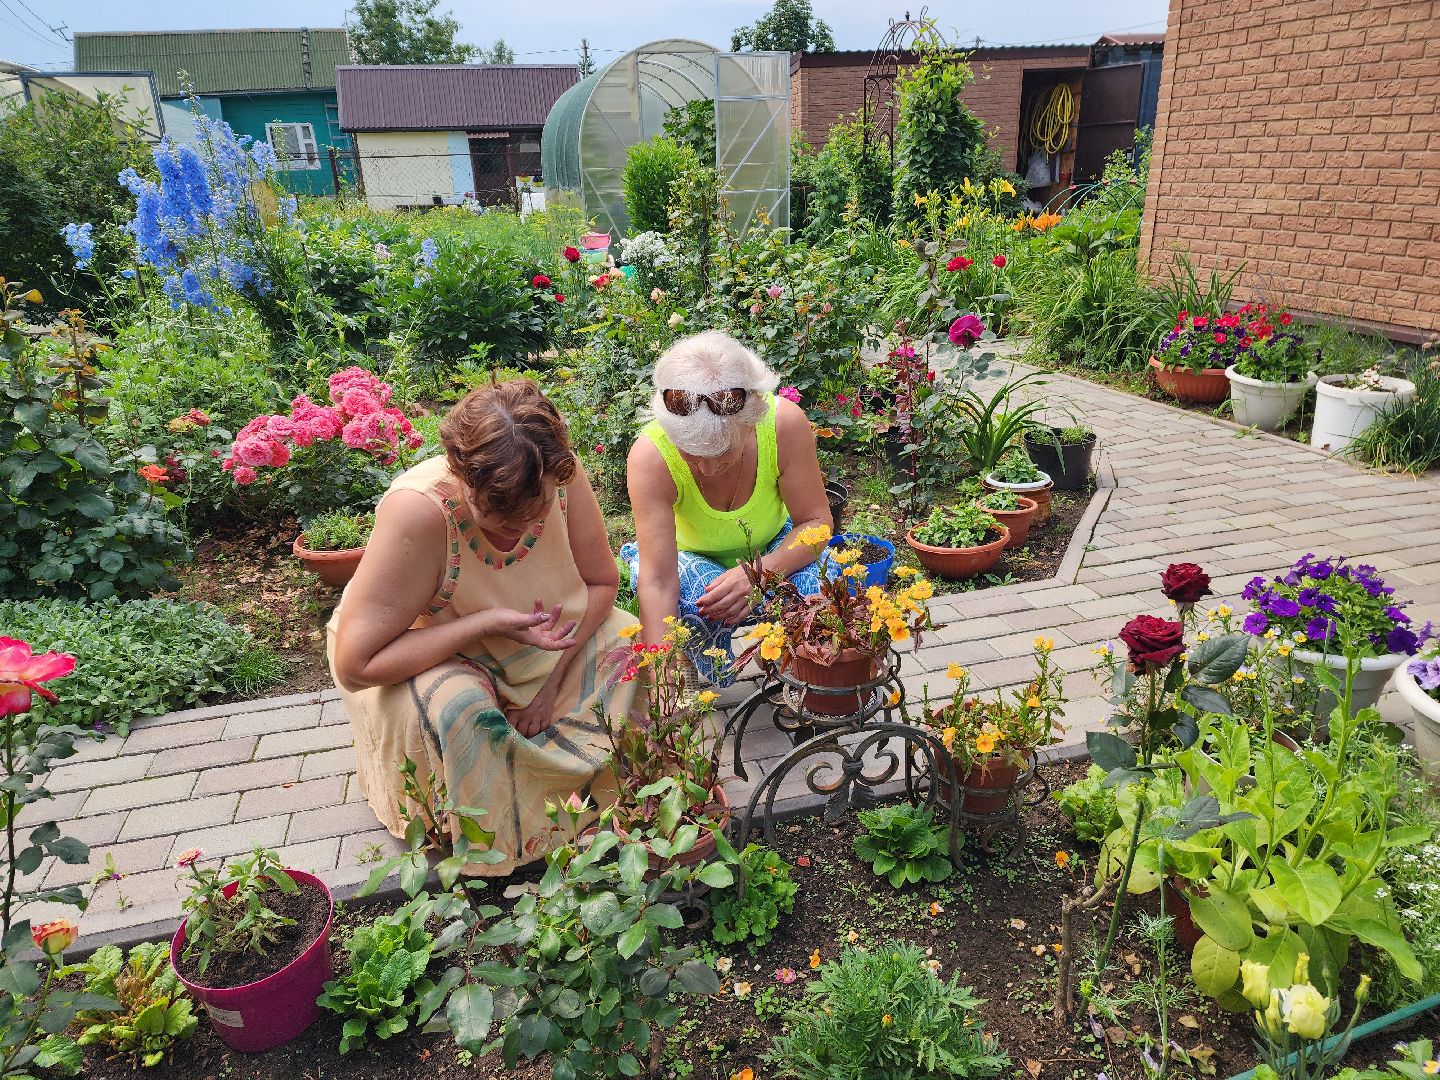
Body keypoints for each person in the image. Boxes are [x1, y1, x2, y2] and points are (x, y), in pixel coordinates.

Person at [328, 379, 637, 874]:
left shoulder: (558, 474)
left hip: (544, 647)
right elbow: (357, 664)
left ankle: (591, 797)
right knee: (463, 711)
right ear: (458, 472)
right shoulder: (419, 509)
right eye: (501, 517)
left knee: (637, 647)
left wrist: (551, 683)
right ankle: (501, 836)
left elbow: (602, 584)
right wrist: (484, 623)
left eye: (533, 515)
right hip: (431, 654)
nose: (522, 529)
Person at [622, 331, 831, 684]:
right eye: (691, 453)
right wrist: (662, 671)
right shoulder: (650, 455)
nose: (704, 468)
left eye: (720, 454)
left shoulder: (783, 425)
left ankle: (796, 668)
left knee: (823, 583)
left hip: (769, 549)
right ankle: (689, 663)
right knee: (694, 596)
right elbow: (658, 579)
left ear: (750, 424)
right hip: (688, 564)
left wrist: (762, 571)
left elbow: (816, 523)